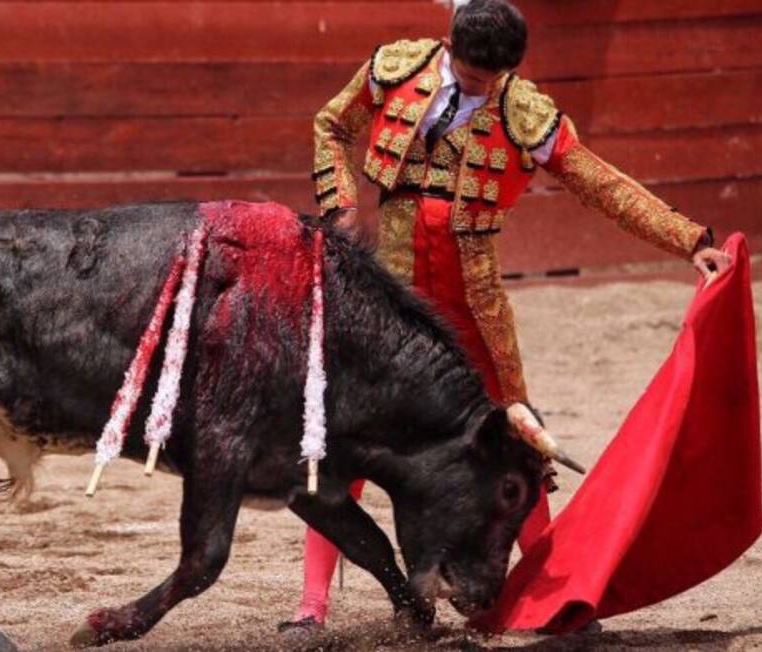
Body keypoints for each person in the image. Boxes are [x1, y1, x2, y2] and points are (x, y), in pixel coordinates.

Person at [282, 0, 733, 632]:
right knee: (344, 436)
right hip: (390, 294)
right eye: (470, 76)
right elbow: (331, 124)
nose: (478, 88)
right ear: (449, 47)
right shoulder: (395, 68)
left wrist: (689, 240)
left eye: (490, 81)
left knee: (514, 439)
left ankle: (550, 595)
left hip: (472, 300)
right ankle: (311, 606)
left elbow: (601, 184)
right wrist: (340, 207)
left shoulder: (526, 114)